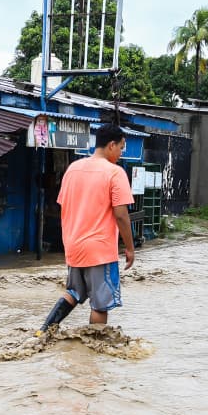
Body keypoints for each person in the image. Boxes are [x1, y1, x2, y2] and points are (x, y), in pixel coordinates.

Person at [38, 124, 135, 332]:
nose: (121, 152)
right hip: (100, 249)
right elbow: (121, 214)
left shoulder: (73, 169)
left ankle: (43, 331)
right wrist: (130, 247)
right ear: (111, 145)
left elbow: (64, 205)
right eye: (121, 147)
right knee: (100, 304)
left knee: (73, 292)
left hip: (74, 246)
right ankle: (92, 354)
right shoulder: (115, 173)